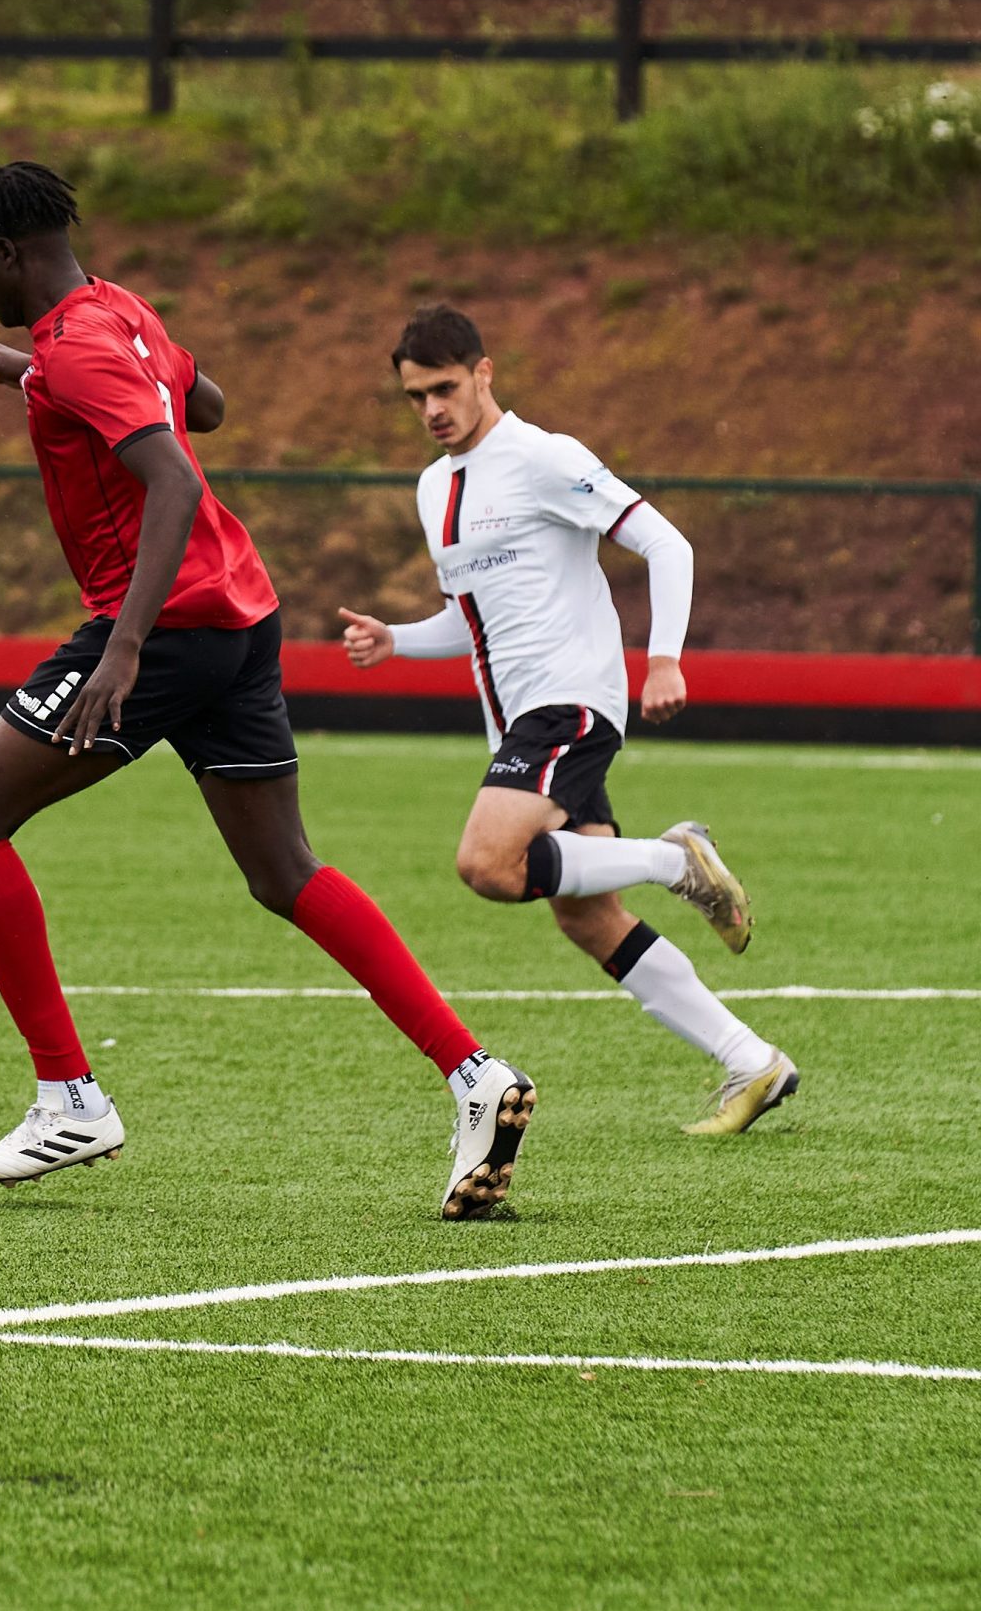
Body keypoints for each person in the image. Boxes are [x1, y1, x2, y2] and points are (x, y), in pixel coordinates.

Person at [0, 163, 534, 1217]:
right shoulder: (114, 311)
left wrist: (120, 650)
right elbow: (203, 401)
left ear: (12, 252)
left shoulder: (76, 343)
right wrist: (36, 370)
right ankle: (474, 1075)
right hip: (241, 615)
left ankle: (68, 1095)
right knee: (283, 870)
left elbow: (169, 471)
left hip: (159, 631)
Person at [338, 304, 794, 1137]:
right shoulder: (434, 487)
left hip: (570, 702)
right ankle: (752, 1061)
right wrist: (395, 640)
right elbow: (471, 620)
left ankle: (673, 856)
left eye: (445, 388)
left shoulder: (545, 458)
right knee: (586, 914)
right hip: (520, 720)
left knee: (486, 863)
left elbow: (667, 545)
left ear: (485, 373)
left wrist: (663, 658)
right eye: (415, 397)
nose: (433, 409)